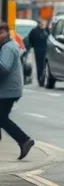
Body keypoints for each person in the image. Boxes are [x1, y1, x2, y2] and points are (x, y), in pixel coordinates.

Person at [0, 22, 33, 160]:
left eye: (1, 32)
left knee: (1, 118)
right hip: (9, 90)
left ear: (6, 33)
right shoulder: (8, 45)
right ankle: (24, 140)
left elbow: (4, 68)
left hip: (8, 91)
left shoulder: (7, 47)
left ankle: (24, 140)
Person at [27, 19, 49, 86]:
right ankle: (40, 80)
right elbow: (30, 39)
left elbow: (30, 39)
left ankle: (41, 80)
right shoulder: (37, 30)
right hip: (40, 49)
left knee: (41, 65)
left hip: (41, 49)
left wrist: (33, 45)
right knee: (41, 66)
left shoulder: (43, 30)